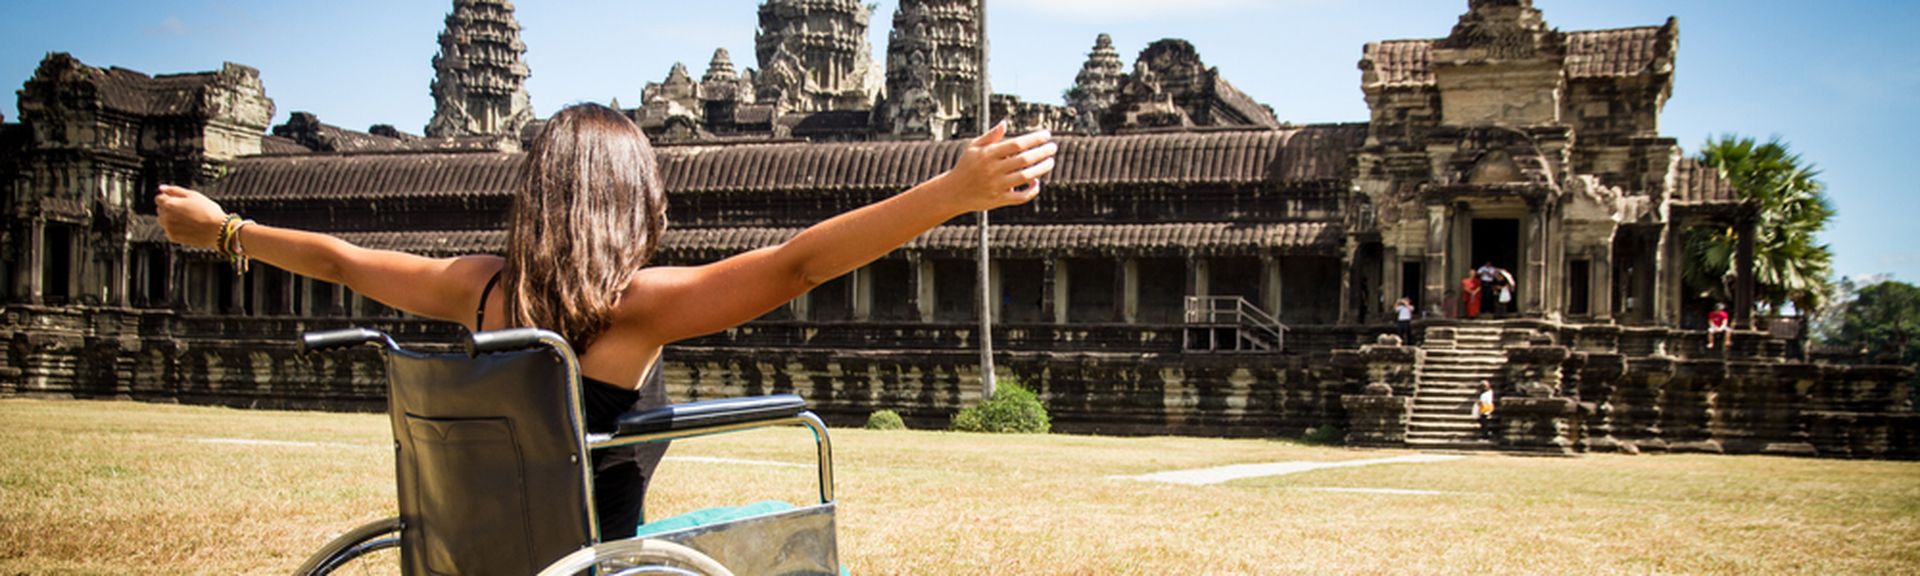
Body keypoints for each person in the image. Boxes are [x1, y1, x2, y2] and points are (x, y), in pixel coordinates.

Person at [155, 104, 1058, 538]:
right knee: (782, 524)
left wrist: (222, 227)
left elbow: (339, 261)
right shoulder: (629, 309)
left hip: (477, 560)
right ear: (634, 205)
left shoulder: (471, 288)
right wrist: (953, 192)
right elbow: (800, 264)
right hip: (600, 568)